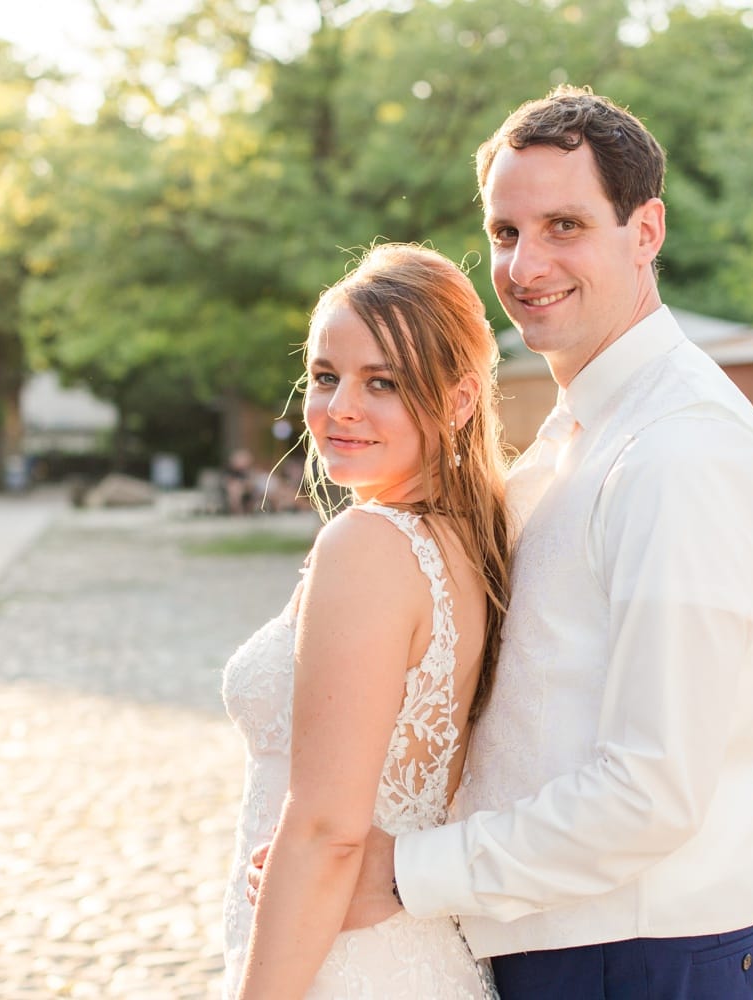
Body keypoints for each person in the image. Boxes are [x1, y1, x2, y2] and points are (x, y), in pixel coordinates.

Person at [254, 85, 753, 998]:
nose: (526, 264)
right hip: (534, 947)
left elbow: (654, 788)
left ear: (646, 230)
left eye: (565, 226)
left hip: (637, 955)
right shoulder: (568, 442)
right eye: (506, 232)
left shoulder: (679, 449)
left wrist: (404, 873)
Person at [220, 242, 513, 998]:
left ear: (457, 399)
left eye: (381, 382)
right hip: (401, 954)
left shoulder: (367, 546)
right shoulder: (459, 539)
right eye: (325, 376)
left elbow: (327, 831)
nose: (339, 407)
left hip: (340, 965)